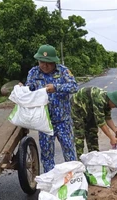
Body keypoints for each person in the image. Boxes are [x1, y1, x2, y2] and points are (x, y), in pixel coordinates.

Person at [24, 44, 78, 172]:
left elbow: (74, 87)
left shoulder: (63, 71)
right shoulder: (33, 72)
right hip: (44, 122)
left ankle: (73, 179)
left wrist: (56, 87)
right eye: (42, 62)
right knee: (47, 155)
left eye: (48, 63)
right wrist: (23, 88)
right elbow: (29, 89)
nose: (45, 65)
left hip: (63, 120)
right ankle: (51, 182)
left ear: (54, 62)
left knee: (69, 150)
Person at [70, 86, 117, 159]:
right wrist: (111, 138)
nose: (115, 107)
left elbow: (108, 118)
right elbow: (101, 122)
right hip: (77, 107)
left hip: (90, 109)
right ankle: (79, 159)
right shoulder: (100, 100)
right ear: (112, 100)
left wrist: (116, 131)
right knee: (80, 134)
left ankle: (94, 158)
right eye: (115, 105)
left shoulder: (108, 103)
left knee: (92, 132)